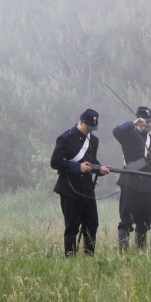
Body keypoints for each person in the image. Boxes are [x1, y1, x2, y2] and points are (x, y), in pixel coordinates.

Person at [50, 109, 110, 257]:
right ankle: (70, 258)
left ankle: (89, 256)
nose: (90, 130)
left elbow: (92, 161)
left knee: (92, 223)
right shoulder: (65, 138)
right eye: (88, 126)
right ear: (81, 122)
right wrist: (77, 167)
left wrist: (100, 169)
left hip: (87, 188)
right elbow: (55, 162)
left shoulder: (93, 140)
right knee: (72, 225)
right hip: (69, 188)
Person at [113, 106, 151, 252]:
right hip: (130, 179)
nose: (147, 124)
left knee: (144, 219)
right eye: (145, 121)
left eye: (149, 122)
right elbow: (116, 131)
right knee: (126, 218)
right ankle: (122, 251)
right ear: (139, 121)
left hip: (147, 183)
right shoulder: (128, 134)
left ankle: (141, 251)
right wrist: (132, 123)